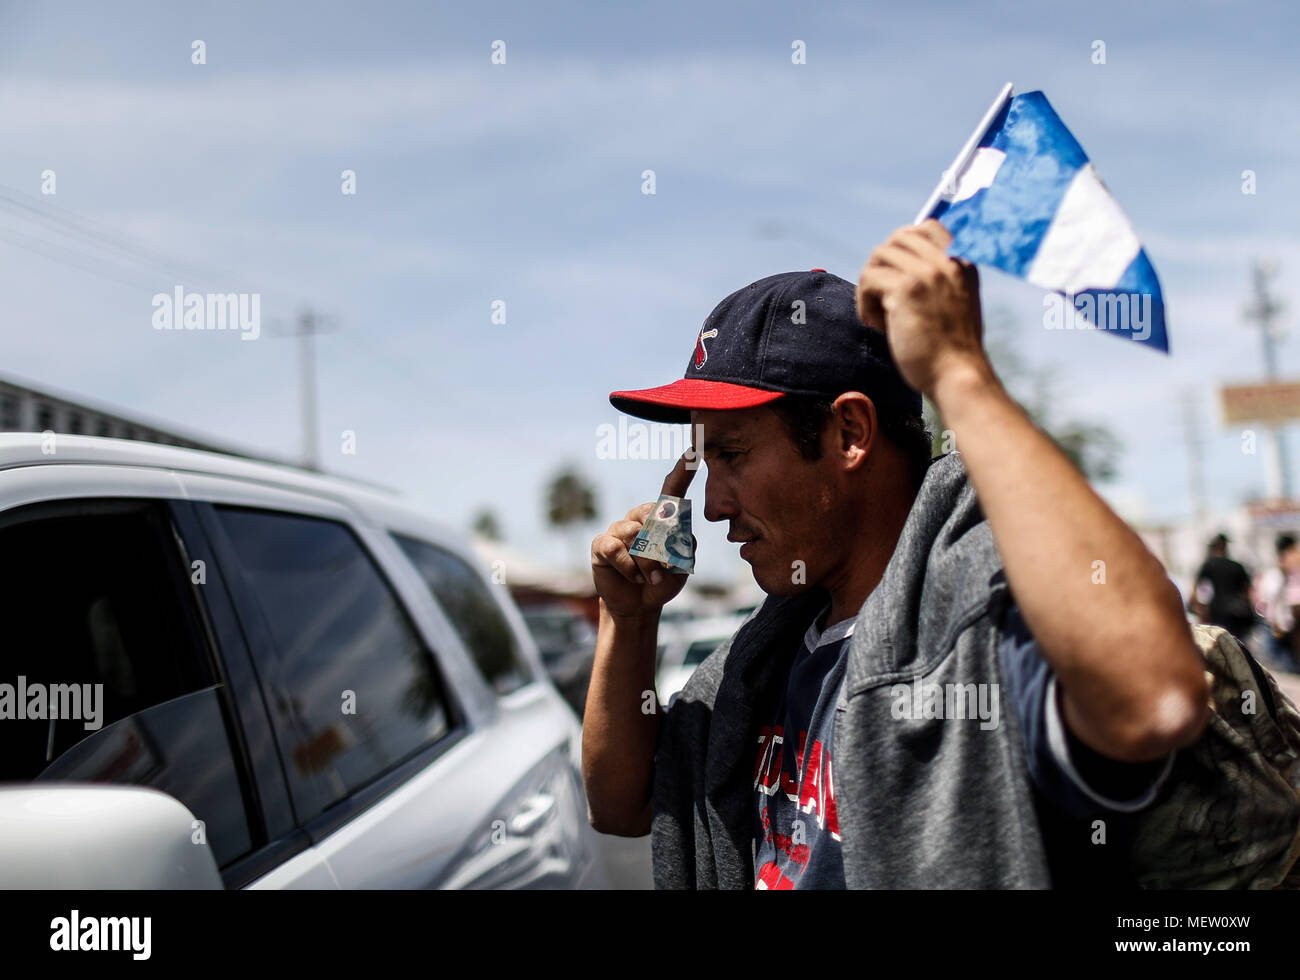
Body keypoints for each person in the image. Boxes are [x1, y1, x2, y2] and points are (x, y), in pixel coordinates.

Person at [582, 221, 1209, 889]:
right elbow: (623, 806)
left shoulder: (979, 623)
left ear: (850, 433)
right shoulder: (762, 658)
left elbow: (1155, 700)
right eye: (705, 465)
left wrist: (959, 373)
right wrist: (629, 620)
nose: (712, 506)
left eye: (731, 456)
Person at [1190, 533, 1255, 643]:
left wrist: (1198, 608)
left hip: (1217, 612)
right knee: (1240, 646)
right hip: (1237, 613)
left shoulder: (1209, 565)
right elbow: (1247, 591)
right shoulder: (1236, 566)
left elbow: (1196, 588)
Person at [1253, 533, 1300, 672]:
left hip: (1287, 626)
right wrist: (1275, 622)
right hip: (1278, 627)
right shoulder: (1274, 576)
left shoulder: (1290, 575)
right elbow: (1270, 601)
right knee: (1281, 668)